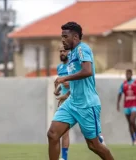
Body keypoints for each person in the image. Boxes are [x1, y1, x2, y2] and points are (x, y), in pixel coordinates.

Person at [48, 22, 114, 160]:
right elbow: (77, 82)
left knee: (94, 145)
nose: (63, 40)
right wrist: (66, 95)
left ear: (75, 37)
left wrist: (64, 77)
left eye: (65, 36)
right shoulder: (72, 54)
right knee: (53, 134)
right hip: (72, 103)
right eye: (62, 36)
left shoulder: (82, 49)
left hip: (87, 105)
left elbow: (87, 71)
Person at [117, 69, 136, 145]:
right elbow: (119, 94)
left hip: (135, 105)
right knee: (129, 123)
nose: (127, 75)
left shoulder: (135, 83)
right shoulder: (124, 84)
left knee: (132, 121)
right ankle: (133, 140)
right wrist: (118, 104)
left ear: (131, 75)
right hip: (127, 106)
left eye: (129, 74)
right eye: (126, 74)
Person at [54, 45, 70, 160]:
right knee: (63, 131)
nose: (62, 53)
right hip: (64, 102)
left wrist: (66, 93)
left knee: (90, 134)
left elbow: (76, 84)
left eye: (64, 51)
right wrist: (57, 90)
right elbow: (62, 84)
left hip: (76, 101)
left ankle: (99, 138)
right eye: (60, 51)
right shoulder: (59, 67)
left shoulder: (73, 67)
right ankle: (64, 158)